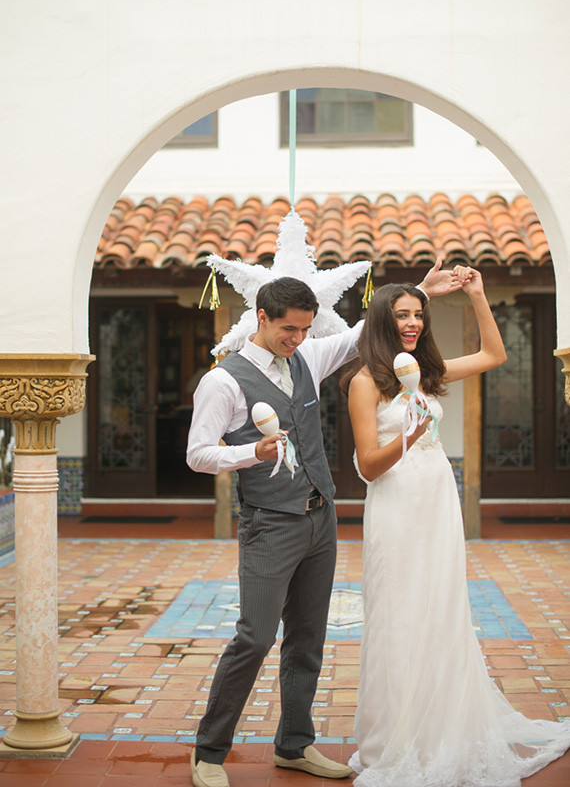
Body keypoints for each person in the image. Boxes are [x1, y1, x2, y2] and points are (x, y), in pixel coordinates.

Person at [186, 266, 459, 787]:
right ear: (261, 318)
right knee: (254, 637)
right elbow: (198, 454)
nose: (297, 339)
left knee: (308, 638)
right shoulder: (222, 380)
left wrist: (420, 291)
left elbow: (362, 331)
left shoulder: (308, 357)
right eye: (288, 329)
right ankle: (209, 752)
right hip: (269, 523)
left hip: (320, 517)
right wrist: (252, 451)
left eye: (306, 329)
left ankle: (294, 745)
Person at [344, 268, 570, 787]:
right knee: (399, 612)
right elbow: (369, 467)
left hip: (438, 502)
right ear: (382, 321)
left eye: (418, 315)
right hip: (396, 505)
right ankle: (395, 738)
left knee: (441, 607)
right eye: (402, 315)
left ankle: (441, 724)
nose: (413, 323)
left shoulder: (425, 373)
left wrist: (477, 295)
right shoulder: (364, 382)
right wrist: (411, 433)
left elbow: (494, 355)